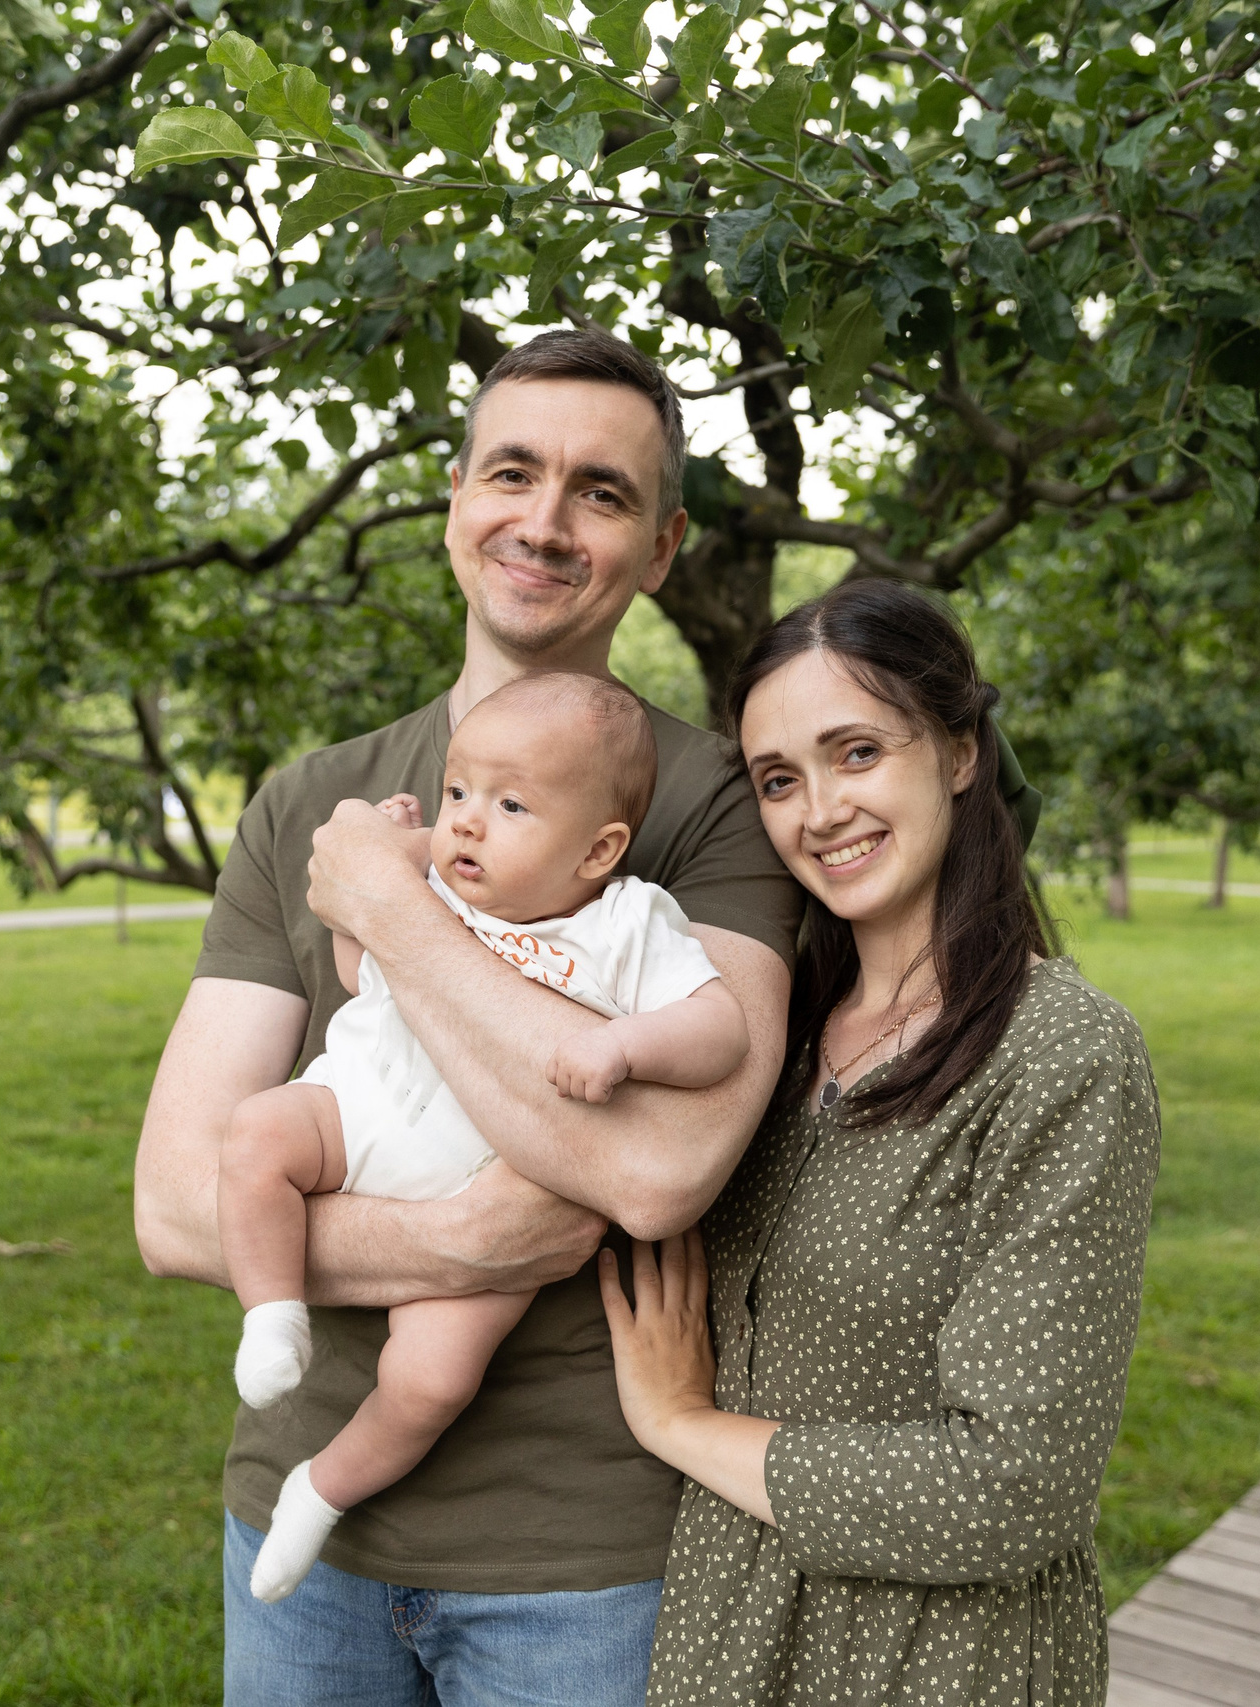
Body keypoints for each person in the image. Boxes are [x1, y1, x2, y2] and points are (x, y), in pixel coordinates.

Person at [133, 328, 804, 1705]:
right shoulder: (313, 799)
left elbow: (659, 1168)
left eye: (601, 493)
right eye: (513, 472)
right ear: (455, 501)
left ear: (663, 546)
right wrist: (459, 1238)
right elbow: (175, 1206)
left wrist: (396, 910)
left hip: (583, 1561)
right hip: (298, 1536)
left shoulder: (715, 803)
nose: (544, 522)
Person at [600, 578, 1163, 1706]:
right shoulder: (769, 1034)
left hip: (933, 1660)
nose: (818, 811)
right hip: (726, 1632)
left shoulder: (1061, 1054)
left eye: (856, 752)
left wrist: (679, 1422)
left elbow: (1014, 1484)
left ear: (958, 751)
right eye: (778, 780)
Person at [220, 672, 751, 1604]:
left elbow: (720, 1031)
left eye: (510, 804)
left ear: (600, 847)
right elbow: (357, 971)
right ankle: (272, 1317)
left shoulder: (626, 922)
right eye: (459, 791)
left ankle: (323, 1487)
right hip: (360, 1112)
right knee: (257, 1136)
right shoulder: (426, 882)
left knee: (431, 1381)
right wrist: (383, 868)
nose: (464, 821)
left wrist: (625, 1043)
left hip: (487, 1178)